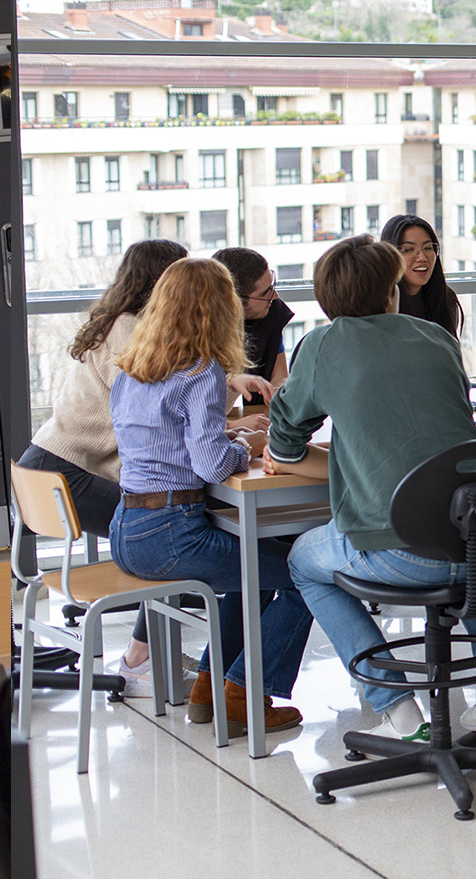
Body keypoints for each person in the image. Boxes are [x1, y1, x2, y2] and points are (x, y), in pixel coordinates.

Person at [266, 235, 476, 740]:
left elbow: (284, 446)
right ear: (392, 291)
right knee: (471, 535)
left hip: (401, 552)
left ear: (326, 302)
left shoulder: (323, 343)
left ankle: (399, 712)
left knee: (303, 562)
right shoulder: (438, 339)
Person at [15, 240, 254, 697]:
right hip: (72, 468)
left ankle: (149, 655)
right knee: (169, 533)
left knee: (160, 532)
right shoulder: (134, 332)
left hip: (48, 462)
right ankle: (141, 659)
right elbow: (173, 402)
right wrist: (228, 397)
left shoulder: (116, 322)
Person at [108, 258, 312, 735]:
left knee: (256, 572)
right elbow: (211, 466)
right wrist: (246, 445)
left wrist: (225, 432)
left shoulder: (132, 368)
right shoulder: (200, 371)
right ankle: (245, 696)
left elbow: (167, 438)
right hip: (173, 534)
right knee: (308, 577)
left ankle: (209, 687)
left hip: (128, 528)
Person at [214, 247, 292, 408]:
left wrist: (277, 391)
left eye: (272, 285)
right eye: (265, 293)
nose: (275, 296)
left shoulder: (271, 312)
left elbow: (280, 376)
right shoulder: (195, 329)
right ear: (234, 299)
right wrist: (232, 425)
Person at [379, 214, 462, 337]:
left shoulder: (444, 298)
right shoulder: (379, 303)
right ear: (390, 255)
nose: (422, 257)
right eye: (408, 249)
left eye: (428, 248)